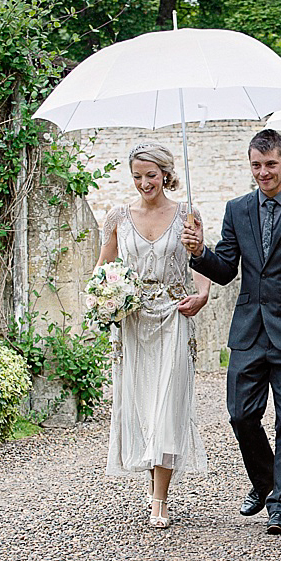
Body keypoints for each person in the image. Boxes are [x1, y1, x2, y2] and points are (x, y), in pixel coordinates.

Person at [181, 129, 281, 535]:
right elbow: (226, 268)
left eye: (270, 164)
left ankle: (280, 504)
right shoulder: (237, 209)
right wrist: (200, 253)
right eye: (256, 165)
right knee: (240, 415)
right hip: (249, 331)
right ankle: (264, 480)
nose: (263, 172)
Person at [95, 142, 211, 529]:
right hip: (133, 322)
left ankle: (159, 499)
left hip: (174, 316)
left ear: (165, 174)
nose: (145, 183)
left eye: (151, 175)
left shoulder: (186, 214)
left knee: (166, 406)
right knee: (143, 408)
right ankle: (154, 484)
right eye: (138, 177)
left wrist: (203, 293)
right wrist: (106, 299)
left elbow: (201, 261)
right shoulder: (117, 217)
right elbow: (103, 270)